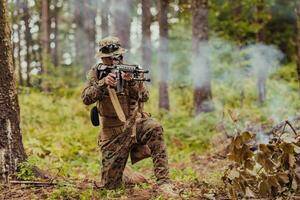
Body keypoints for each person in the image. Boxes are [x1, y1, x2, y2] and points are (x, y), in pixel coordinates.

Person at [81, 36, 177, 197]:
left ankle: (164, 182)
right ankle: (126, 175)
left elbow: (144, 97)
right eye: (108, 59)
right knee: (111, 187)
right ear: (103, 58)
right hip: (112, 134)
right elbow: (86, 98)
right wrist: (103, 83)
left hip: (134, 126)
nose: (112, 61)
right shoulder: (96, 72)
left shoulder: (132, 70)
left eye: (115, 57)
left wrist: (132, 82)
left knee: (155, 127)